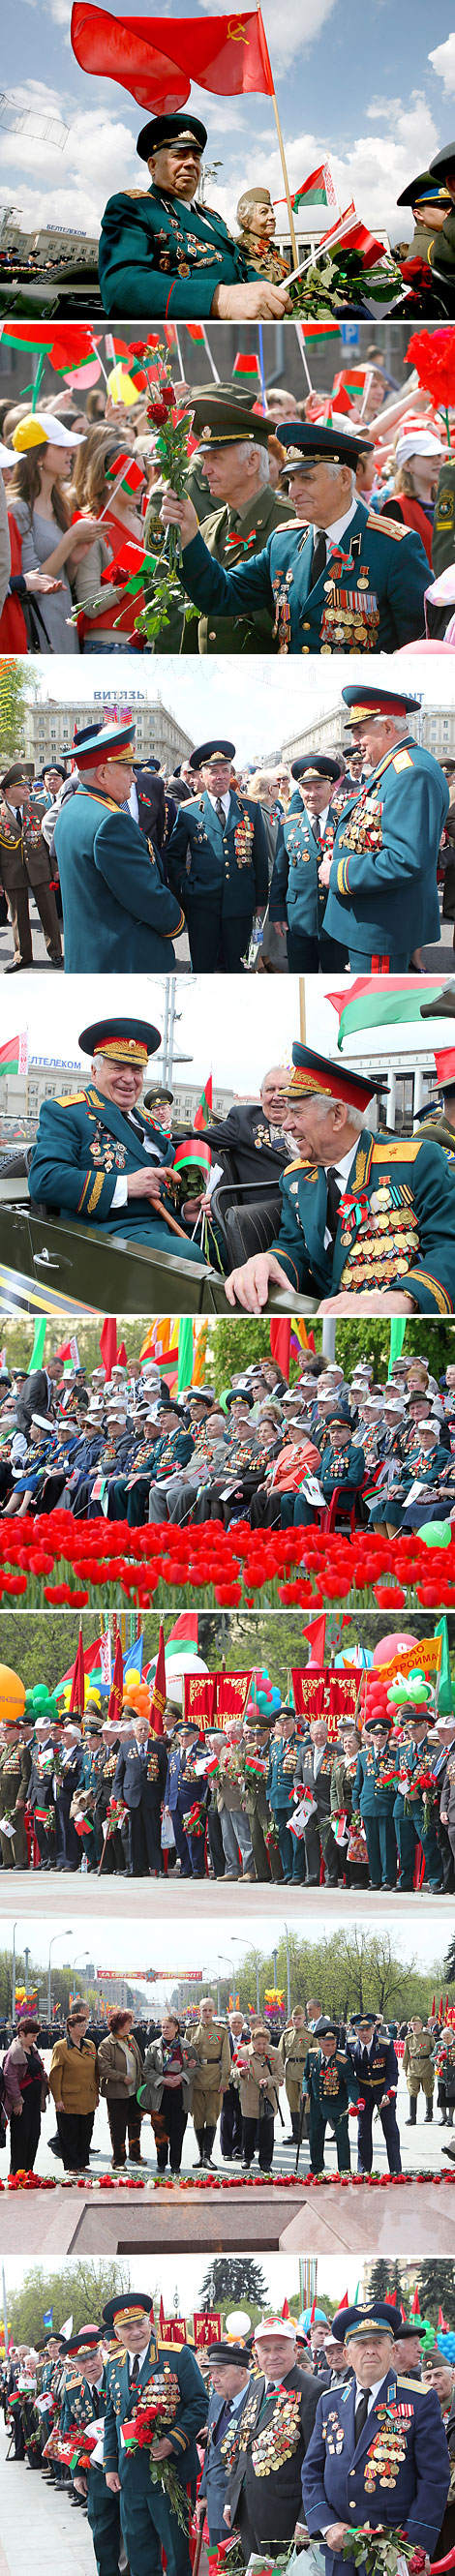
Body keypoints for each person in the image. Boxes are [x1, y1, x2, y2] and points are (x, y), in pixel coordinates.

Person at [225, 1042, 455, 1316]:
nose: (286, 1125)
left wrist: (400, 1299)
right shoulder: (295, 1177)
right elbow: (295, 1248)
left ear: (337, 1116)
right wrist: (269, 1260)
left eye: (297, 1113)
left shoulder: (416, 1161)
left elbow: (447, 1246)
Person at [162, 421, 430, 655]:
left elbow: (421, 644)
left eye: (306, 478)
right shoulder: (285, 541)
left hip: (362, 708)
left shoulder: (394, 546)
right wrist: (189, 536)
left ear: (345, 479)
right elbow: (221, 595)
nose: (293, 492)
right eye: (290, 480)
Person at [28, 1014, 207, 1265]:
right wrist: (125, 1186)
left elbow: (158, 1182)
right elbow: (44, 1181)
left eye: (136, 1070)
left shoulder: (149, 1122)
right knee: (186, 1256)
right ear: (94, 1072)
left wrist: (183, 1210)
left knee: (231, 1235)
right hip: (105, 1232)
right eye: (117, 1068)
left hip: (166, 1224)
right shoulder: (65, 1112)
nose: (129, 1078)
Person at [300, 2299, 450, 2576]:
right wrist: (326, 2523)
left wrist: (412, 2546)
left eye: (378, 2342)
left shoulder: (420, 2399)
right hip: (339, 2547)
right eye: (360, 2344)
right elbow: (312, 2471)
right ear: (347, 2354)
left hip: (394, 2548)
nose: (370, 2350)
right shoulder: (329, 2401)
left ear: (392, 2351)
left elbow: (434, 2479)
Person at [98, 112, 291, 320]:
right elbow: (122, 287)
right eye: (179, 155)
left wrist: (271, 291)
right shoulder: (134, 207)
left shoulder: (213, 218)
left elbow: (240, 269)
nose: (191, 163)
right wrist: (221, 300)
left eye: (196, 157)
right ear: (153, 165)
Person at [322, 685, 448, 971]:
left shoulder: (411, 772)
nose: (355, 742)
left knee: (375, 1005)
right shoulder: (393, 767)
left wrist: (338, 872)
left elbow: (406, 859)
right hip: (376, 918)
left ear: (388, 727)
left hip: (383, 925)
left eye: (360, 732)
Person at [46, 717, 184, 974]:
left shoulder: (73, 808)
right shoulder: (112, 822)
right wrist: (176, 920)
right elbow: (144, 895)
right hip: (121, 959)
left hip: (88, 955)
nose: (134, 779)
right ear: (103, 773)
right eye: (127, 770)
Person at [174, 393, 294, 654]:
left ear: (251, 462)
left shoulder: (291, 524)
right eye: (204, 460)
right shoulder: (206, 527)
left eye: (216, 458)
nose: (205, 470)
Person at [102, 2287, 207, 2576]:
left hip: (170, 2470)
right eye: (127, 2327)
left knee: (175, 2550)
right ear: (117, 2333)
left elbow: (199, 2404)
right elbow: (112, 2418)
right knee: (138, 2549)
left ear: (150, 2323)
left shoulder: (177, 2356)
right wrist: (110, 2466)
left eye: (140, 2324)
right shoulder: (113, 2365)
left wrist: (173, 2441)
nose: (135, 2332)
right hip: (130, 2473)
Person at [167, 738, 268, 973]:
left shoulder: (250, 807)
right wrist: (185, 885)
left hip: (241, 902)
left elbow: (260, 855)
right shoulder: (188, 810)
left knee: (239, 967)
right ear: (201, 776)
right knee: (202, 965)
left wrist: (261, 898)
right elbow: (174, 856)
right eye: (213, 772)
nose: (220, 776)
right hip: (202, 903)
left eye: (225, 770)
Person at [225, 2314, 319, 2558]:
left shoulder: (313, 2390)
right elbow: (243, 2444)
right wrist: (230, 2499)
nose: (272, 2355)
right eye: (265, 2349)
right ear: (256, 2355)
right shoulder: (256, 2386)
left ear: (296, 2351)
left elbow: (318, 2461)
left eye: (280, 2348)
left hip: (287, 2516)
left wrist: (307, 2518)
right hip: (248, 2511)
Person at [7, 413, 100, 654]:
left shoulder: (60, 502)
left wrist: (74, 559)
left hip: (62, 618)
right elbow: (33, 579)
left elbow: (62, 578)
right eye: (61, 447)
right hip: (38, 625)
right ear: (37, 456)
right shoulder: (17, 508)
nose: (71, 452)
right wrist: (70, 540)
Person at [269, 755, 348, 972]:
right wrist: (277, 912)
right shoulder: (288, 826)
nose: (312, 794)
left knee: (338, 980)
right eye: (306, 788)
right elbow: (279, 873)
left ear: (332, 790)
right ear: (300, 791)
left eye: (318, 787)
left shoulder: (344, 823)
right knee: (300, 981)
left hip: (337, 920)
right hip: (299, 920)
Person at [0, 763, 63, 972]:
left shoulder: (38, 809)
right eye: (22, 787)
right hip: (12, 872)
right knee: (18, 916)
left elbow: (48, 842)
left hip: (40, 869)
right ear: (8, 792)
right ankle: (23, 956)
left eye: (27, 786)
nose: (28, 789)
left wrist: (55, 867)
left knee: (49, 913)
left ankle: (55, 952)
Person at [197, 2340, 252, 2543]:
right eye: (211, 2373)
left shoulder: (259, 2399)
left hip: (243, 2508)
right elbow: (212, 2451)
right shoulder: (217, 2400)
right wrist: (203, 2495)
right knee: (216, 2563)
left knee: (241, 2570)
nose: (214, 2379)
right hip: (215, 2503)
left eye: (221, 2372)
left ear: (242, 2373)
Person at [138, 2011, 197, 2174]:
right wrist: (163, 2080)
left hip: (180, 2095)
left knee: (178, 2131)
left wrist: (182, 2076)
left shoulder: (187, 2046)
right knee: (160, 2130)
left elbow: (196, 2066)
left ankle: (176, 2164)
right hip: (160, 2095)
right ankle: (161, 2162)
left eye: (168, 2027)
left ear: (176, 2028)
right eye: (162, 2027)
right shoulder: (154, 2046)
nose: (164, 2030)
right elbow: (147, 2069)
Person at [346, 2013, 402, 2175]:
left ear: (373, 2029)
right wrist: (352, 2098)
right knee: (363, 2132)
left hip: (383, 2089)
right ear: (355, 2030)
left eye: (368, 2029)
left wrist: (388, 2093)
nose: (364, 2033)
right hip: (363, 2090)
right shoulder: (350, 2045)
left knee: (390, 2129)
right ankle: (364, 2170)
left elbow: (392, 2072)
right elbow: (350, 2074)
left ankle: (396, 2170)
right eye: (360, 2029)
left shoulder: (385, 2045)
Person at [112, 1714, 167, 1875]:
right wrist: (118, 1796)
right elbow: (119, 1774)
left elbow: (164, 1775)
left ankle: (157, 1867)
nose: (143, 1732)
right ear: (134, 1732)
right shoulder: (125, 1747)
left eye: (145, 1729)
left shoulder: (158, 1748)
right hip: (131, 1797)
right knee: (133, 1834)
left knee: (152, 1833)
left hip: (152, 1796)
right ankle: (135, 1867)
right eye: (140, 1729)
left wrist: (164, 1797)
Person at [303, 2018, 359, 2174]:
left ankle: (344, 2170)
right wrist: (305, 2090)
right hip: (317, 2104)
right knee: (315, 2137)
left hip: (338, 2105)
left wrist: (352, 2101)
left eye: (333, 2044)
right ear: (320, 2043)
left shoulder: (343, 2061)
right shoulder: (311, 2055)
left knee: (342, 2138)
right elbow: (306, 2075)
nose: (331, 2048)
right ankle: (316, 2168)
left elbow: (352, 2084)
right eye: (327, 2045)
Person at [48, 2003, 99, 2172]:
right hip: (69, 2098)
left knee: (86, 2132)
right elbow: (55, 2075)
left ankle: (83, 2163)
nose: (84, 2029)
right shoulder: (61, 2046)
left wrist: (96, 2093)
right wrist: (58, 2099)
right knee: (69, 2134)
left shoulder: (90, 2045)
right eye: (80, 2026)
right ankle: (72, 2166)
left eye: (86, 2025)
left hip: (88, 2096)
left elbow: (95, 2070)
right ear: (70, 2027)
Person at [352, 1714, 398, 1891]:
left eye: (383, 1733)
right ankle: (376, 1879)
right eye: (376, 1733)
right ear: (370, 1736)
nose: (379, 1737)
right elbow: (359, 1782)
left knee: (387, 1844)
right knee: (372, 1845)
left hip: (387, 1804)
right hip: (368, 1805)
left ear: (387, 1735)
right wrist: (356, 1805)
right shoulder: (363, 1755)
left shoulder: (394, 1753)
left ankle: (388, 1879)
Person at [232, 2020, 284, 2170]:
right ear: (252, 2042)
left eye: (264, 2044)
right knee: (248, 2129)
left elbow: (280, 2074)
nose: (261, 2047)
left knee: (267, 2132)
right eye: (258, 2044)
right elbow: (232, 2071)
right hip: (249, 2096)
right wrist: (241, 2072)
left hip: (268, 2097)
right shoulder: (243, 2052)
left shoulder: (274, 2052)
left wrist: (268, 2081)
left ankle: (265, 2162)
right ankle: (247, 2157)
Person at [97, 2010, 145, 2167]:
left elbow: (139, 2063)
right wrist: (122, 2077)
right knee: (118, 2128)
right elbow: (104, 2068)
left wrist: (143, 2084)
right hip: (117, 2092)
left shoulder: (131, 2040)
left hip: (134, 2091)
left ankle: (135, 2154)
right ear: (119, 2024)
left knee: (135, 2124)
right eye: (129, 2022)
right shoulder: (106, 2044)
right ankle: (118, 2160)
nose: (132, 2025)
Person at [3, 2012, 49, 2173]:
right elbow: (10, 2079)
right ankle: (17, 2173)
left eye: (37, 2036)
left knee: (33, 2135)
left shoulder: (33, 2049)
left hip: (35, 2100)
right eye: (32, 2036)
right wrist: (17, 2101)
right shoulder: (14, 2052)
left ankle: (29, 2171)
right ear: (21, 2034)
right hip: (21, 2103)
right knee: (20, 2138)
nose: (35, 2039)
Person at [192, 1996, 231, 2168]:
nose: (207, 2013)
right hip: (196, 2080)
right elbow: (186, 2055)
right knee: (197, 2119)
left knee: (212, 2117)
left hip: (215, 2079)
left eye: (209, 2010)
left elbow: (226, 2058)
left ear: (214, 2011)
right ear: (199, 2011)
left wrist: (225, 2080)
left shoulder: (221, 2031)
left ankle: (208, 2155)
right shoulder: (190, 2030)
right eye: (203, 2010)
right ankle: (200, 2154)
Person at [235, 187, 288, 281]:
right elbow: (270, 283)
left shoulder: (270, 248)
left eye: (272, 211)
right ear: (245, 220)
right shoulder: (243, 248)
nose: (273, 217)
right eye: (263, 212)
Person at [279, 2006, 311, 2142]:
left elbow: (316, 2054)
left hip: (305, 2071)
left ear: (304, 2018)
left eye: (299, 2018)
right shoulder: (286, 2034)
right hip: (291, 2070)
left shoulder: (310, 2035)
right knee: (293, 2104)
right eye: (294, 2018)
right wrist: (279, 2075)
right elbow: (280, 2055)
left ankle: (310, 2134)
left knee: (307, 2104)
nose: (296, 2021)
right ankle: (296, 2135)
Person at [403, 2015, 435, 2126]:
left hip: (426, 2067)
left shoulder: (428, 2037)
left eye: (415, 2024)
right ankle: (412, 2117)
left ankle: (429, 2113)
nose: (413, 2026)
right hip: (413, 2068)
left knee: (428, 2090)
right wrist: (404, 2068)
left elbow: (434, 2052)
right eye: (411, 2025)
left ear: (421, 2025)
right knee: (412, 2091)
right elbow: (406, 2054)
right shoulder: (409, 2038)